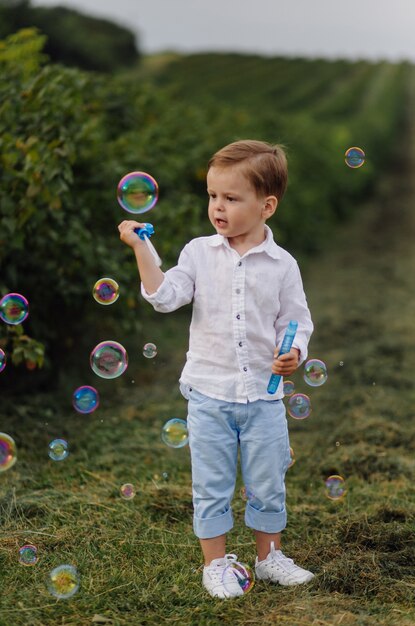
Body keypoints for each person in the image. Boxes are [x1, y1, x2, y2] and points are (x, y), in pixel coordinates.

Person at [118, 139, 315, 599]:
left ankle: (269, 558)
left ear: (266, 206)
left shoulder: (283, 265)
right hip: (209, 395)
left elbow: (296, 321)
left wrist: (296, 352)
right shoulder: (198, 253)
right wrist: (141, 248)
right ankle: (216, 564)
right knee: (212, 483)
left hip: (264, 397)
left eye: (231, 198)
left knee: (268, 480)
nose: (217, 207)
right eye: (212, 196)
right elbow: (165, 297)